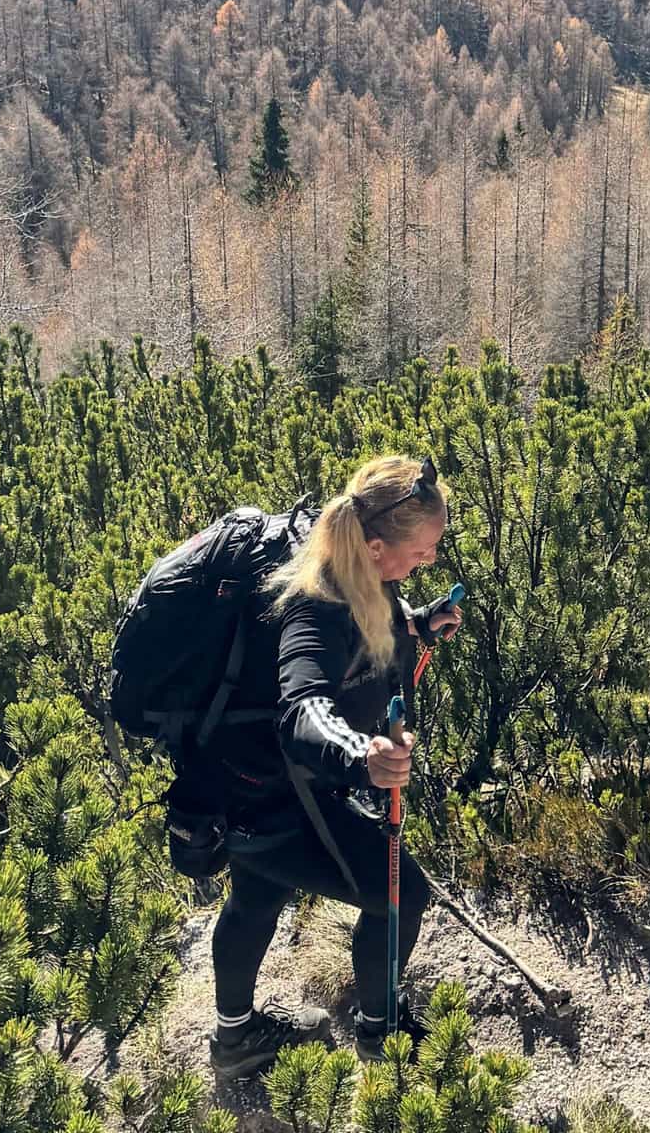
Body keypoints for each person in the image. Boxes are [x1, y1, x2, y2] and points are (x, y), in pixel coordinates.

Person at [201, 453, 462, 1077]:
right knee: (399, 895)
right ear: (376, 546)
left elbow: (378, 621)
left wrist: (419, 623)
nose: (428, 561)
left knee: (257, 897)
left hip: (255, 783)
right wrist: (359, 754)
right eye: (422, 551)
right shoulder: (314, 606)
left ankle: (235, 1039)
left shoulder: (363, 574)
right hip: (274, 798)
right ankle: (379, 1032)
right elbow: (302, 709)